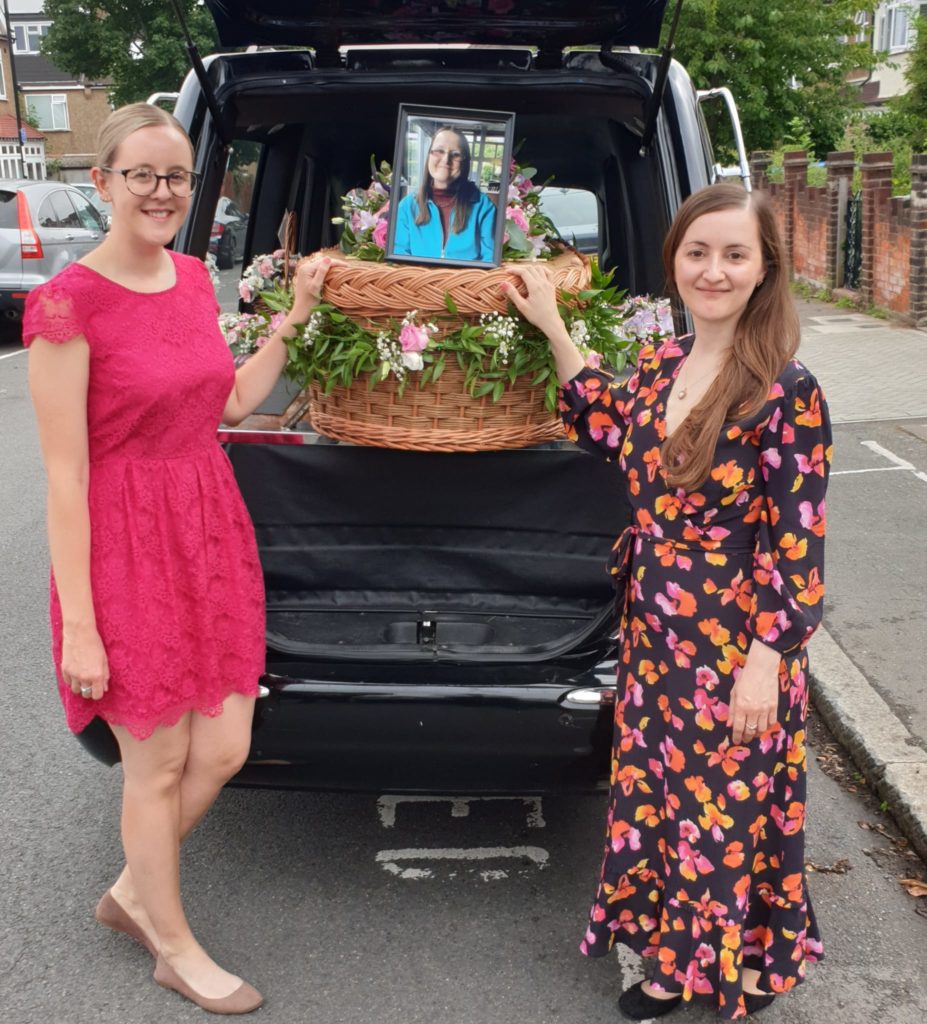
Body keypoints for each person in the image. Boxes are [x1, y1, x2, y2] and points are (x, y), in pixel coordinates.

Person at [24, 103, 332, 1015]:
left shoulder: (195, 279)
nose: (161, 192)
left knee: (225, 746)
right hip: (123, 544)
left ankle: (130, 894)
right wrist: (81, 623)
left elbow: (229, 405)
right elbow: (65, 479)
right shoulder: (65, 303)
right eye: (142, 175)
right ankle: (172, 942)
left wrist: (298, 315)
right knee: (155, 766)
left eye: (176, 177)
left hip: (207, 527)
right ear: (103, 183)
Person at [502, 183, 832, 1021]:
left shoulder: (785, 390)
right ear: (674, 262)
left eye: (733, 255)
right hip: (655, 632)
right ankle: (668, 954)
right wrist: (549, 322)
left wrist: (767, 663)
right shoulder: (660, 367)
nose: (712, 271)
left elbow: (797, 549)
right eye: (697, 253)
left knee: (724, 807)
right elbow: (602, 420)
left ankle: (744, 957)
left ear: (763, 271)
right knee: (657, 794)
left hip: (734, 644)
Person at [393, 126, 497, 261]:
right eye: (439, 151)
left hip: (468, 282)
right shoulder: (406, 207)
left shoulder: (484, 207)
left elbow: (490, 259)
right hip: (418, 281)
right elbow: (400, 259)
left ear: (465, 162)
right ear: (429, 155)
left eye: (456, 154)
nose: (446, 159)